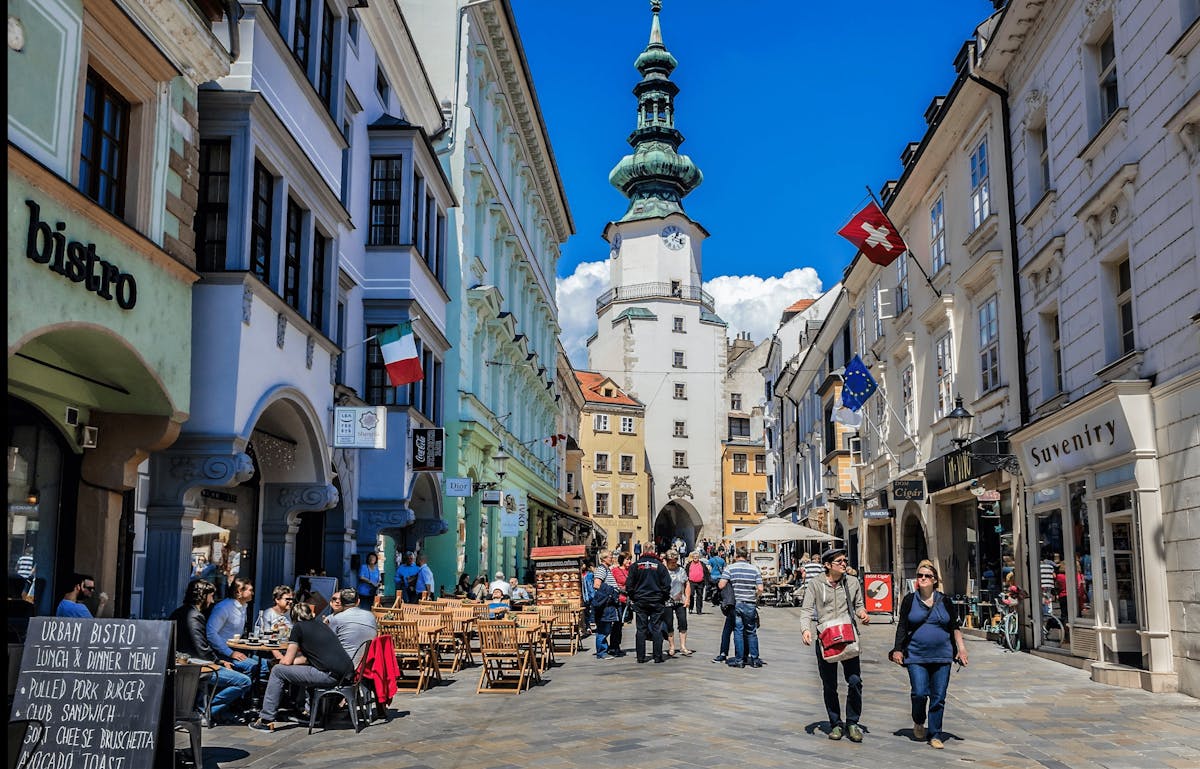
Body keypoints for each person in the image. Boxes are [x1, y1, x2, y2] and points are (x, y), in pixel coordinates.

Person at [889, 559, 968, 750]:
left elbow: (954, 627)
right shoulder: (909, 600)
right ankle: (918, 720)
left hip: (942, 655)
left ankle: (935, 734)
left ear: (934, 580)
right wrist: (898, 648)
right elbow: (902, 627)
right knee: (919, 692)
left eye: (927, 576)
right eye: (920, 575)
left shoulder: (945, 601)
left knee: (938, 696)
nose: (922, 578)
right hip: (916, 654)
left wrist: (962, 649)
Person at [248, 601, 355, 732]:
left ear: (293, 618)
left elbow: (287, 661)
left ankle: (266, 720)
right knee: (296, 670)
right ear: (311, 614)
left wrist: (278, 662)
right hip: (345, 674)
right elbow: (309, 658)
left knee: (277, 671)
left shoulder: (298, 628)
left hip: (328, 676)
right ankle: (308, 712)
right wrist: (292, 663)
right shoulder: (321, 625)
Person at [800, 547, 870, 743]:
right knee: (829, 685)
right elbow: (806, 610)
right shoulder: (815, 584)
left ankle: (853, 723)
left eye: (845, 561)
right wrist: (805, 629)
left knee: (855, 681)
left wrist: (862, 614)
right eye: (839, 562)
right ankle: (836, 724)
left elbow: (858, 606)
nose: (844, 564)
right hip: (826, 638)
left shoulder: (853, 582)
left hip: (847, 636)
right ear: (828, 565)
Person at [171, 579, 253, 725]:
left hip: (188, 663)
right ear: (203, 596)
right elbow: (202, 648)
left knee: (246, 668)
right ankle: (206, 711)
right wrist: (219, 661)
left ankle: (214, 710)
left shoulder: (180, 612)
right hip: (197, 666)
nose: (212, 600)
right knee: (244, 681)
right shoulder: (194, 616)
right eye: (211, 596)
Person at [207, 577, 268, 679]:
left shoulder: (243, 606)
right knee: (260, 668)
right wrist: (230, 653)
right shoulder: (224, 607)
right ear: (239, 591)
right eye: (250, 590)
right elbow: (210, 633)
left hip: (238, 650)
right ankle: (241, 686)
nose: (252, 593)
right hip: (222, 653)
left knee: (267, 664)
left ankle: (244, 688)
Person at [718, 548, 763, 668]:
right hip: (750, 603)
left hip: (737, 603)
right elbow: (760, 589)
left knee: (738, 631)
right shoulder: (754, 569)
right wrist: (755, 597)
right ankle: (754, 659)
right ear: (747, 556)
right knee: (751, 631)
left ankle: (739, 660)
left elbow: (721, 585)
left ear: (736, 555)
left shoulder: (730, 568)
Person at [625, 547, 670, 663]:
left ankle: (640, 657)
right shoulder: (660, 566)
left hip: (640, 600)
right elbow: (667, 585)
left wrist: (634, 597)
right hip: (656, 600)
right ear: (653, 550)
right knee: (657, 628)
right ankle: (658, 656)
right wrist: (663, 597)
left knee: (641, 629)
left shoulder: (635, 566)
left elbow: (629, 585)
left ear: (643, 550)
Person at [326, 587, 378, 661]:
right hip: (366, 664)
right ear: (358, 602)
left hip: (344, 665)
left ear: (342, 602)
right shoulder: (371, 616)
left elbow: (326, 643)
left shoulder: (336, 619)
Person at [662, 551, 693, 656]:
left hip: (680, 599)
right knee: (669, 623)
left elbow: (687, 583)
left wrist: (687, 598)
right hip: (667, 600)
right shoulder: (663, 571)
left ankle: (683, 646)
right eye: (671, 562)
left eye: (675, 562)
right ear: (666, 561)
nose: (674, 564)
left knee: (683, 622)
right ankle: (671, 646)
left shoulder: (681, 570)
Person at [610, 552, 631, 652]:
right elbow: (612, 584)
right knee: (617, 623)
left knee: (621, 623)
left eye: (630, 559)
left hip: (628, 600)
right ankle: (614, 645)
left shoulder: (631, 570)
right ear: (622, 560)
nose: (629, 561)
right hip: (618, 599)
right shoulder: (615, 570)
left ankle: (616, 644)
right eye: (627, 559)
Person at [686, 550, 708, 615]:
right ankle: (690, 608)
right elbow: (686, 572)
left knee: (699, 596)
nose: (695, 558)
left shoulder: (702, 564)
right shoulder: (689, 564)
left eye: (697, 557)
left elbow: (706, 572)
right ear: (692, 557)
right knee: (691, 595)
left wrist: (706, 581)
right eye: (694, 557)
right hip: (691, 582)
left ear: (699, 557)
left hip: (700, 582)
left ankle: (699, 610)